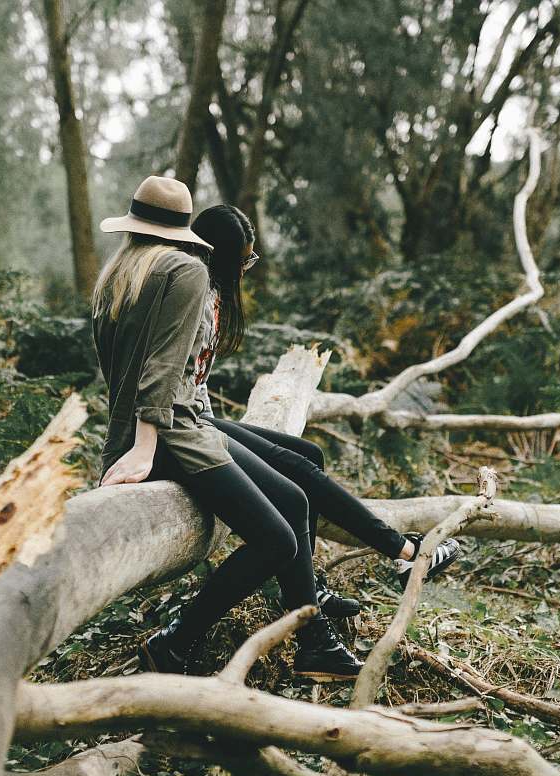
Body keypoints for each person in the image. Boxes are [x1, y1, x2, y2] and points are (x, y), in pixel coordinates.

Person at [91, 177, 452, 681]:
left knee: (298, 491)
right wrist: (144, 448)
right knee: (278, 538)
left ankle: (311, 631)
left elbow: (130, 376)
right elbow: (161, 371)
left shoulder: (121, 272)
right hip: (170, 435)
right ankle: (179, 641)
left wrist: (134, 441)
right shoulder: (186, 271)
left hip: (166, 430)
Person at [184, 204, 463, 617]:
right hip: (189, 427)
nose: (247, 269)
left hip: (199, 417)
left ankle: (312, 584)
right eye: (244, 260)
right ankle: (403, 551)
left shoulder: (211, 294)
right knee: (293, 483)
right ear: (222, 257)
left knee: (309, 454)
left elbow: (196, 382)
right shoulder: (192, 297)